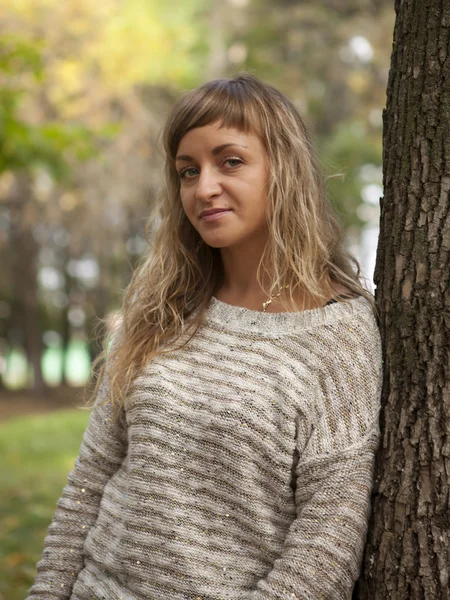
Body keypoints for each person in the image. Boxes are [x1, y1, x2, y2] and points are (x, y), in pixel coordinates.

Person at [27, 73, 383, 600]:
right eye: (187, 172)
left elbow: (326, 541)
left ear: (283, 169)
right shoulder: (162, 309)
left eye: (230, 161)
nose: (203, 188)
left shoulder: (340, 334)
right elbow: (91, 480)